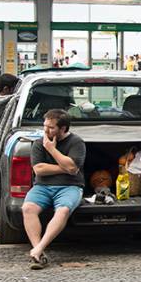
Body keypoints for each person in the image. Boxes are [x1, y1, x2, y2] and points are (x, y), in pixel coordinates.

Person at [21, 109, 86, 269]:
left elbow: (73, 167)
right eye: (45, 126)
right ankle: (38, 251)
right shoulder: (38, 143)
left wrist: (51, 149)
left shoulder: (76, 142)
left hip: (70, 186)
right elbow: (39, 169)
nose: (46, 130)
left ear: (63, 129)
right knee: (27, 208)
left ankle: (39, 248)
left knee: (62, 210)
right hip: (42, 186)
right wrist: (65, 166)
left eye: (51, 127)